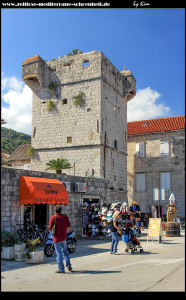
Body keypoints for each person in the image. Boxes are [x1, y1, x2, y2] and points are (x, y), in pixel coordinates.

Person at [48, 205, 72, 273]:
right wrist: (65, 232)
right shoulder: (65, 216)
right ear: (61, 210)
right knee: (65, 252)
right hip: (63, 237)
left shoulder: (53, 217)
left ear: (55, 211)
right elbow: (68, 226)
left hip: (56, 238)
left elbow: (49, 228)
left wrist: (52, 233)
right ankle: (68, 264)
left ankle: (61, 269)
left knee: (59, 254)